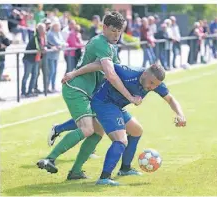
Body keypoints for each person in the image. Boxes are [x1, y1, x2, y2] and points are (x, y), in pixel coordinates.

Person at [37, 11, 141, 180]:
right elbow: (111, 74)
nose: (117, 34)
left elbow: (114, 69)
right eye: (113, 30)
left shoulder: (110, 47)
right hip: (76, 90)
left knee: (97, 133)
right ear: (104, 27)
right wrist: (130, 97)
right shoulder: (101, 43)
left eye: (119, 31)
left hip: (89, 92)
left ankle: (76, 172)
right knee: (87, 128)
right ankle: (49, 159)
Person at [44, 62, 186, 186]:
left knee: (136, 130)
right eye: (150, 83)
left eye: (155, 85)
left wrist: (180, 114)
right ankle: (104, 178)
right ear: (144, 74)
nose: (151, 87)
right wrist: (74, 73)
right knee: (120, 139)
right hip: (103, 103)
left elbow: (170, 99)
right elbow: (100, 64)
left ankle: (125, 168)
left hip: (116, 107)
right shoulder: (127, 71)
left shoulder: (155, 83)